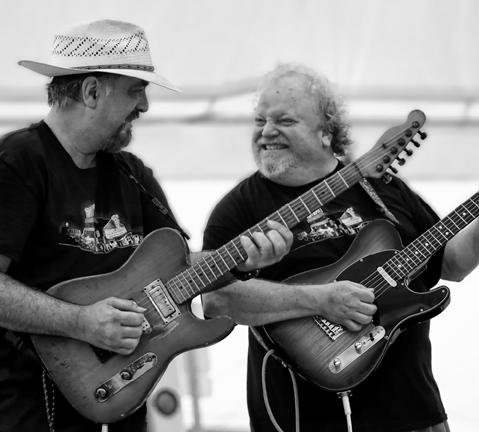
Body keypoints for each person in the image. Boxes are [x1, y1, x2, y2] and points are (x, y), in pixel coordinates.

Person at [0, 20, 294, 432]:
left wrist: (241, 260)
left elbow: (177, 269)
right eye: (135, 90)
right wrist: (80, 322)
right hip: (31, 407)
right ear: (92, 91)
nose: (144, 106)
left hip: (124, 396)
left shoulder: (131, 173)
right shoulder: (19, 162)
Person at [202, 64, 479, 432]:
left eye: (284, 121)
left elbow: (451, 263)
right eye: (259, 120)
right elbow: (217, 300)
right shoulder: (239, 208)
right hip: (300, 417)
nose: (266, 131)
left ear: (325, 133)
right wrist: (321, 300)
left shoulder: (382, 189)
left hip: (411, 411)